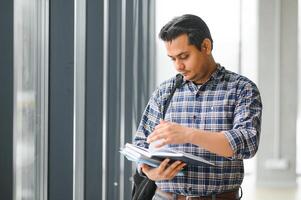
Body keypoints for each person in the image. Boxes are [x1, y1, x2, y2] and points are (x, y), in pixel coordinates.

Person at [134, 14, 262, 200]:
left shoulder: (242, 89)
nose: (178, 66)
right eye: (172, 59)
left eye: (184, 56)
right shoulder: (164, 91)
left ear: (206, 46)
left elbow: (247, 143)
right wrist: (149, 171)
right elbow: (141, 143)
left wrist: (188, 134)